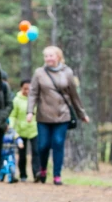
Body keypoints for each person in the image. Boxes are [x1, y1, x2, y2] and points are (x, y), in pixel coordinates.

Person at [27, 46, 90, 185]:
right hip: (43, 115)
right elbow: (33, 93)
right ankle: (42, 168)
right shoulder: (39, 73)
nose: (49, 58)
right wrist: (30, 111)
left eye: (51, 55)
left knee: (58, 142)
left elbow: (74, 95)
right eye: (46, 56)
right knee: (43, 145)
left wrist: (82, 114)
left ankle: (57, 175)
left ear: (58, 57)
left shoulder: (67, 72)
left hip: (62, 115)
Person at [9, 79, 39, 182]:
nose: (27, 91)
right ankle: (23, 175)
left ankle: (37, 173)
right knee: (22, 155)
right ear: (21, 88)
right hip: (20, 131)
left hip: (34, 130)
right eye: (25, 88)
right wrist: (11, 128)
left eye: (29, 88)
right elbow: (13, 115)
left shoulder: (36, 99)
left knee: (36, 152)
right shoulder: (16, 100)